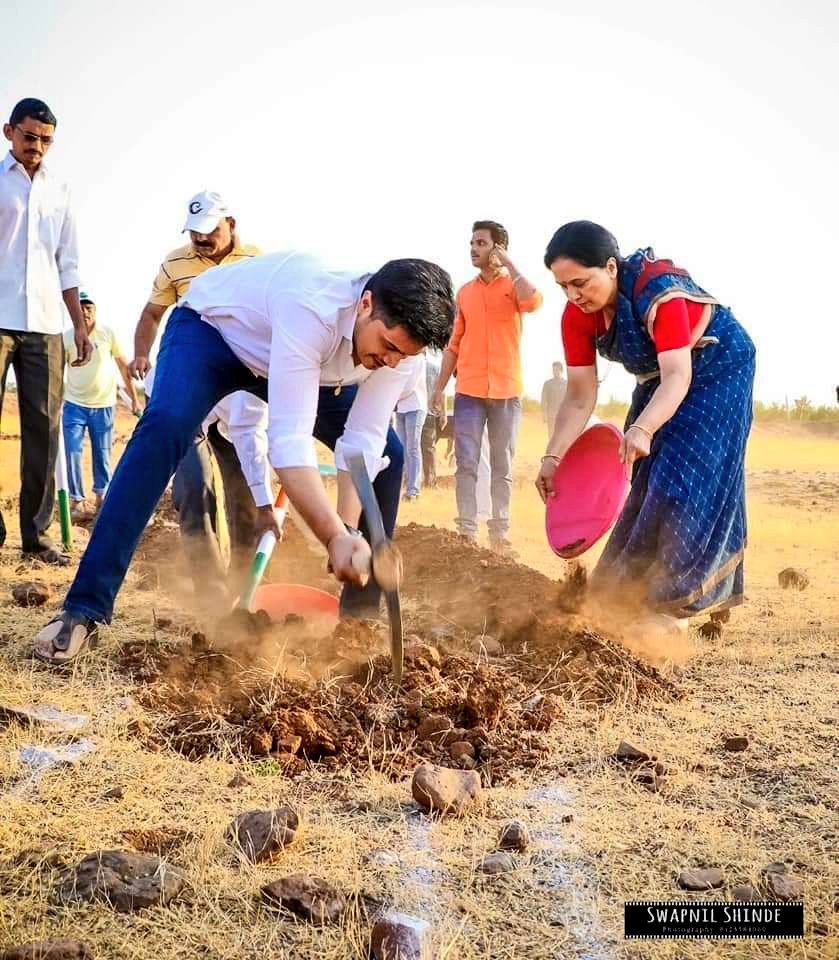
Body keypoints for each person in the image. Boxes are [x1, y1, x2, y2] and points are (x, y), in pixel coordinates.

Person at [33, 251, 455, 664]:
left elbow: (362, 443)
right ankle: (83, 608)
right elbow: (287, 443)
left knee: (388, 454)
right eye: (387, 346)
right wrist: (332, 537)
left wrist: (346, 530)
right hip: (213, 337)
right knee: (166, 426)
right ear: (365, 303)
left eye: (404, 354)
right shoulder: (313, 306)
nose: (391, 360)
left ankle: (357, 623)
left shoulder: (400, 356)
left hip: (290, 363)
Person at [536, 220, 756, 624]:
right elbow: (581, 394)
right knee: (643, 477)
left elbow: (679, 375)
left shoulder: (659, 295)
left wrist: (642, 428)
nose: (573, 295)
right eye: (563, 286)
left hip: (718, 365)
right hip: (660, 376)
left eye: (581, 282)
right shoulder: (576, 316)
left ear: (611, 267)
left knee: (683, 480)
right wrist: (553, 457)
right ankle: (628, 597)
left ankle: (672, 609)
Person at [129, 190, 263, 602]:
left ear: (232, 225)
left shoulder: (259, 263)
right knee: (192, 488)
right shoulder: (175, 263)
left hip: (238, 389)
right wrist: (140, 353)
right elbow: (152, 314)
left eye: (209, 231)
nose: (200, 240)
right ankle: (211, 595)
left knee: (243, 491)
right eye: (194, 232)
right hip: (191, 391)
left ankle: (244, 590)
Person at [0, 97, 92, 563]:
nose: (37, 147)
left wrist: (79, 325)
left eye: (46, 141)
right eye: (30, 136)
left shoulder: (61, 191)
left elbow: (68, 263)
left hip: (44, 327)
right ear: (9, 131)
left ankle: (36, 538)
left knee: (45, 431)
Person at [431, 220, 542, 555]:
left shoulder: (514, 286)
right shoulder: (464, 293)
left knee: (502, 464)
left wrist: (508, 262)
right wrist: (439, 389)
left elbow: (534, 299)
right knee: (466, 462)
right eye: (472, 242)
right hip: (469, 391)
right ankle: (466, 529)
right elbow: (454, 344)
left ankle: (500, 531)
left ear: (498, 247)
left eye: (481, 243)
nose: (473, 248)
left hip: (507, 390)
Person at [62, 291, 139, 521]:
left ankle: (101, 497)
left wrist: (134, 398)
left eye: (89, 308)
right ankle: (76, 501)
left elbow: (124, 367)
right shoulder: (66, 337)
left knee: (102, 453)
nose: (85, 312)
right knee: (72, 450)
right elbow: (56, 370)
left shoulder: (108, 333)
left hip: (104, 404)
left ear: (95, 311)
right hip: (74, 403)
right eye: (80, 307)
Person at [394, 352, 427, 499]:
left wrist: (391, 396)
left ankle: (413, 490)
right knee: (402, 449)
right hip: (400, 408)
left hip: (415, 406)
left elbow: (410, 386)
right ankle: (404, 486)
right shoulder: (400, 358)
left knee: (412, 448)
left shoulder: (418, 358)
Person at [419, 348, 445, 488]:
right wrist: (443, 414)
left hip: (414, 411)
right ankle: (430, 482)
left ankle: (411, 481)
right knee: (429, 449)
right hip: (429, 413)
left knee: (412, 448)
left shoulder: (409, 365)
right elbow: (442, 392)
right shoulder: (434, 367)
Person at [540, 361, 567, 438]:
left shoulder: (567, 384)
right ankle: (552, 450)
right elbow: (544, 399)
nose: (555, 372)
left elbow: (570, 400)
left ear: (561, 371)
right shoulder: (548, 384)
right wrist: (544, 413)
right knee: (551, 435)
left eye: (556, 370)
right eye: (553, 370)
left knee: (562, 435)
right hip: (551, 415)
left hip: (563, 415)